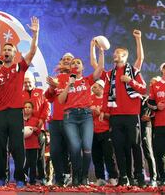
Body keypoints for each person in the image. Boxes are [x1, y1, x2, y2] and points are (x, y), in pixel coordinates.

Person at [0, 16, 39, 188]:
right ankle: (1, 177)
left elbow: (33, 51)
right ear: (3, 54)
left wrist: (35, 34)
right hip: (0, 114)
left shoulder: (19, 67)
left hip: (16, 112)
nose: (7, 51)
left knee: (17, 147)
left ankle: (20, 178)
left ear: (15, 54)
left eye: (10, 49)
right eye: (5, 50)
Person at [100, 30, 147, 187]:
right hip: (115, 116)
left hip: (132, 115)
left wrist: (130, 81)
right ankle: (124, 177)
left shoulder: (133, 71)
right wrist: (104, 111)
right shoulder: (109, 74)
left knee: (135, 145)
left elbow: (143, 90)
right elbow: (106, 93)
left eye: (120, 54)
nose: (116, 55)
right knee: (119, 147)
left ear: (126, 57)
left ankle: (139, 176)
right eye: (115, 53)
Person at [58, 42, 104, 186]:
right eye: (73, 63)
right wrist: (68, 85)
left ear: (82, 67)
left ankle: (83, 176)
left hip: (85, 116)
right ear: (70, 68)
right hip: (69, 116)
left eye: (78, 63)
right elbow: (60, 100)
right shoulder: (65, 81)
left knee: (87, 147)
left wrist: (101, 51)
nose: (76, 64)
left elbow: (100, 69)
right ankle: (76, 178)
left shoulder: (87, 80)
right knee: (75, 148)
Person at [44, 53, 73, 186]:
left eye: (69, 59)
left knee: (69, 150)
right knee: (55, 151)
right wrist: (52, 86)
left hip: (71, 119)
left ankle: (68, 176)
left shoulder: (76, 78)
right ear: (60, 62)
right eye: (64, 59)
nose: (66, 61)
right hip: (56, 120)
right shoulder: (56, 78)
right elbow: (49, 98)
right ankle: (59, 177)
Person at [22, 71, 50, 185]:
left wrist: (42, 119)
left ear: (33, 82)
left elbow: (47, 107)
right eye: (25, 82)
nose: (27, 84)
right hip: (24, 130)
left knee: (40, 156)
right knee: (24, 157)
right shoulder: (20, 94)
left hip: (39, 129)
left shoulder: (40, 92)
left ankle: (42, 177)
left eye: (29, 81)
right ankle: (24, 178)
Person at [90, 79, 118, 186]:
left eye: (96, 87)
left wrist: (101, 113)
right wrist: (92, 112)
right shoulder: (90, 99)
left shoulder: (109, 100)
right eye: (93, 87)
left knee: (108, 156)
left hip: (106, 131)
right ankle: (100, 178)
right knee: (96, 156)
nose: (93, 88)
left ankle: (113, 177)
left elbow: (114, 117)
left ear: (102, 88)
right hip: (93, 132)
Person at [23, 101, 41, 185]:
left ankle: (32, 181)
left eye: (29, 107)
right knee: (24, 164)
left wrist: (35, 129)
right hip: (23, 146)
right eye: (25, 107)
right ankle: (23, 180)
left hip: (33, 145)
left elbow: (38, 133)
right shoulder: (19, 120)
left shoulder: (35, 120)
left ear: (32, 109)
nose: (27, 109)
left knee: (33, 164)